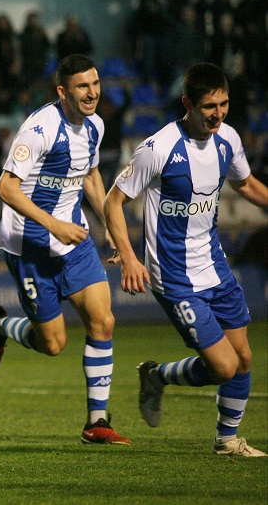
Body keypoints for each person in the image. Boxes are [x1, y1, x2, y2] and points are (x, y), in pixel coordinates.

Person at [104, 62, 268, 457]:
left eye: (223, 104)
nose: (218, 114)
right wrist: (129, 257)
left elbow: (245, 184)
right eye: (208, 106)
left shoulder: (227, 139)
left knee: (243, 358)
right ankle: (158, 376)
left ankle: (226, 441)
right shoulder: (158, 149)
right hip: (173, 276)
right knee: (225, 367)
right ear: (187, 104)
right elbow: (114, 201)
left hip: (215, 266)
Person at [0, 54, 131, 446]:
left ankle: (96, 423)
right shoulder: (39, 129)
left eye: (95, 83)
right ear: (63, 92)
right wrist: (54, 225)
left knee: (104, 321)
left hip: (74, 242)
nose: (92, 92)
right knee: (53, 344)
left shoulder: (95, 126)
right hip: (29, 246)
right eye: (82, 86)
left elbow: (92, 176)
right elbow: (5, 188)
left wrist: (108, 227)